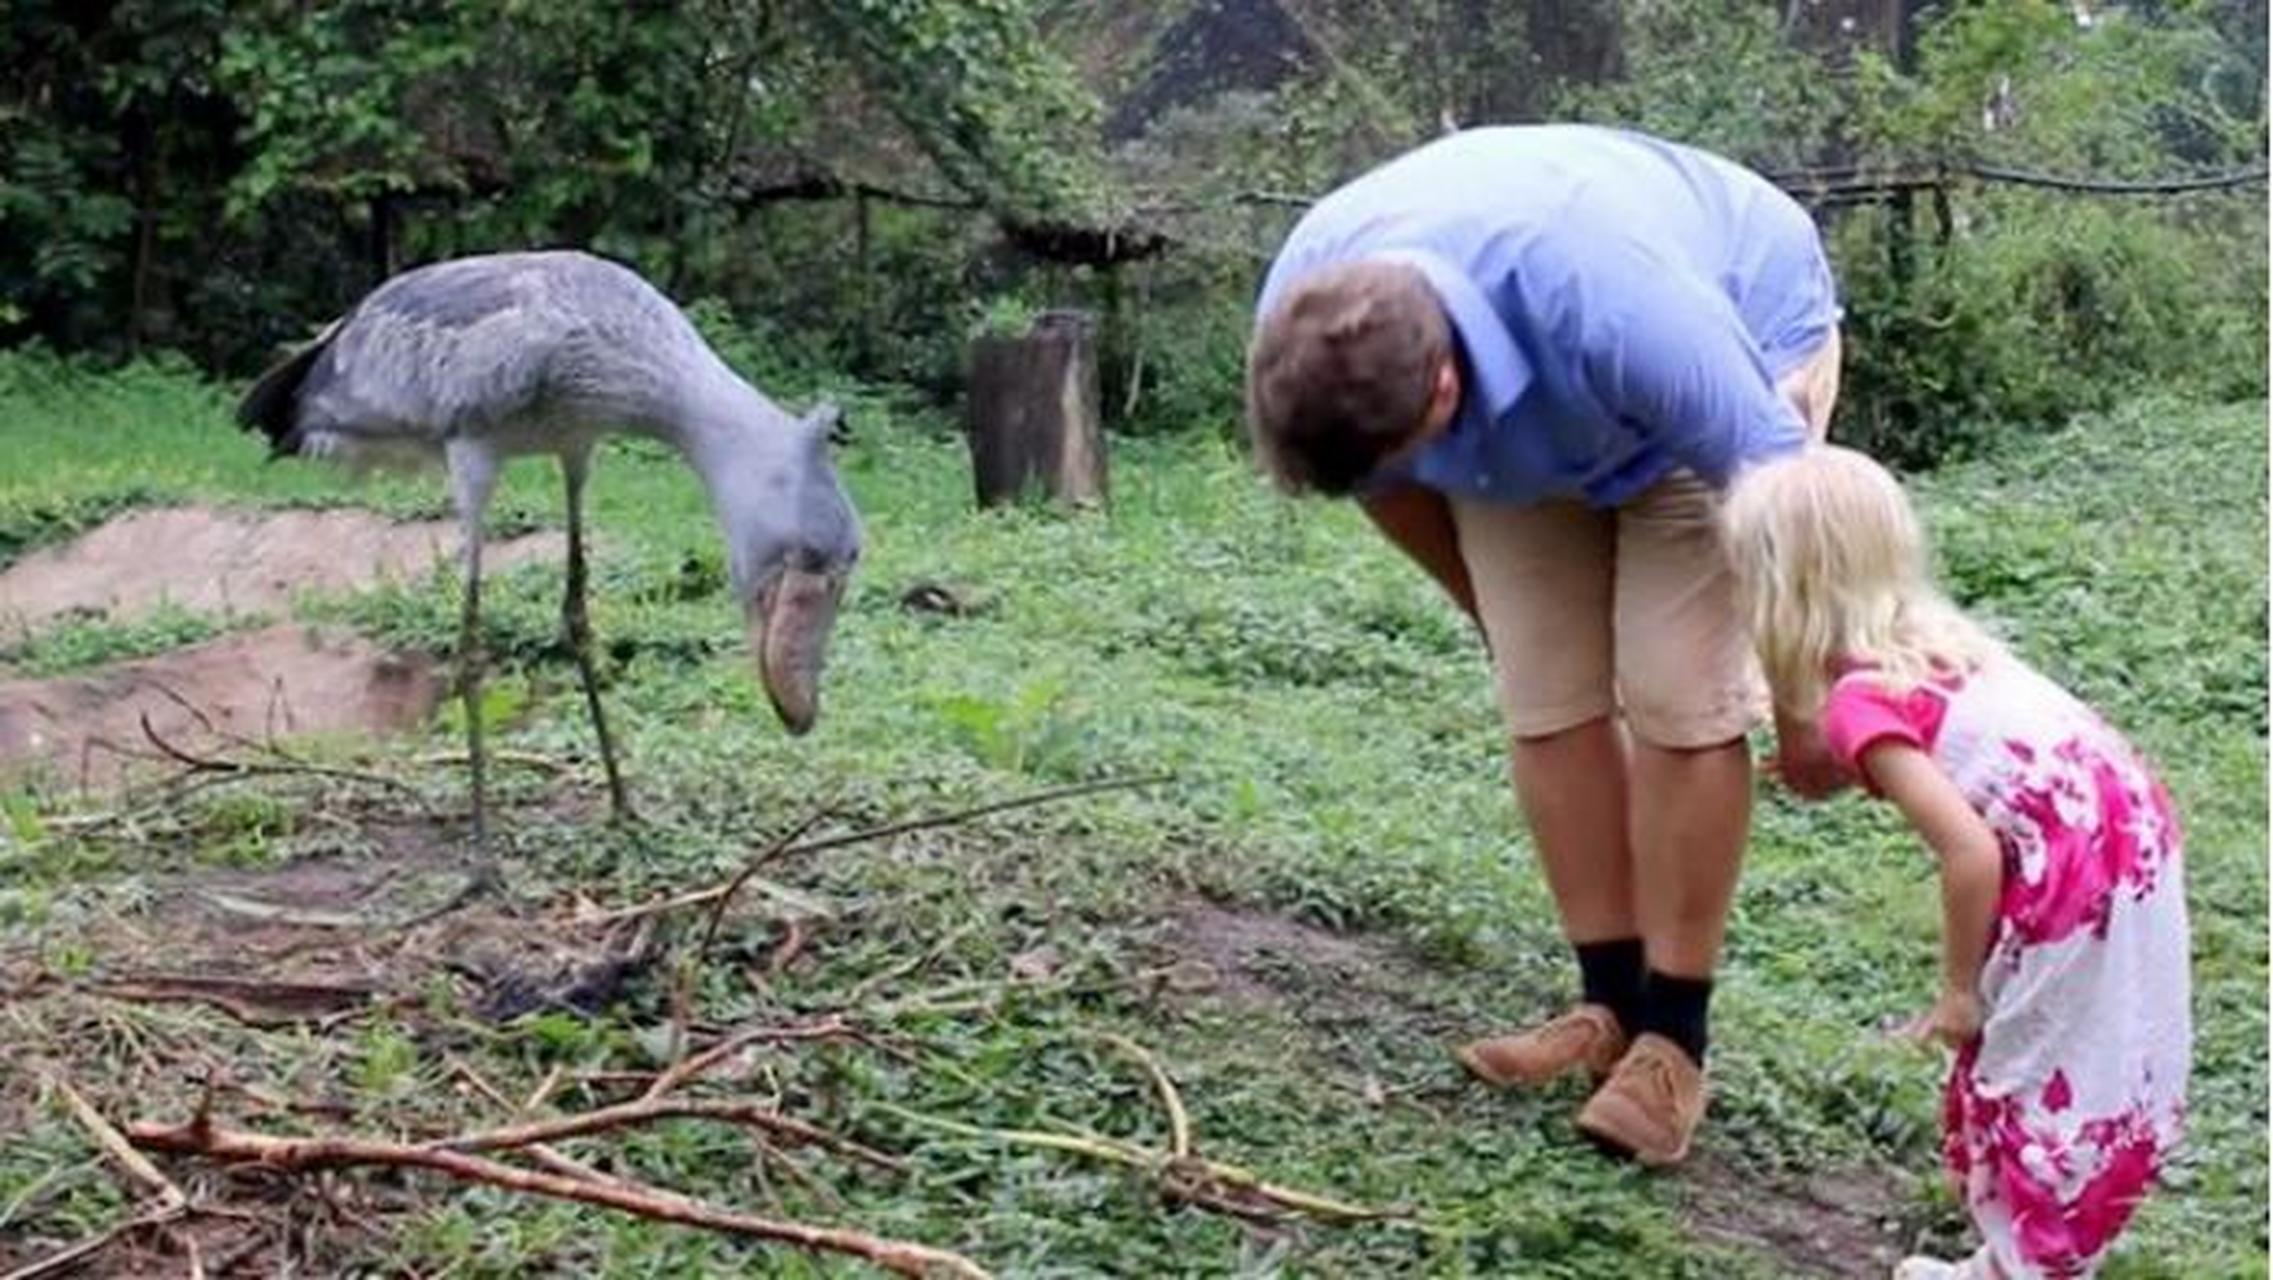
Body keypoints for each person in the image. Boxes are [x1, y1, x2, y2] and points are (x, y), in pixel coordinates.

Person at [1245, 124, 1845, 1165]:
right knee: (1544, 693)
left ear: (1438, 395)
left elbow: (1783, 501)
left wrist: (1802, 708)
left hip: (1725, 355)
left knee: (1676, 693)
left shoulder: (1624, 310)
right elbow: (1381, 485)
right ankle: (1604, 1005)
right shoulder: (1308, 323)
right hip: (1529, 412)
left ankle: (1672, 1040)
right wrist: (1495, 621)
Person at [1722, 446, 2191, 1280]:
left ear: (1772, 591)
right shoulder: (1936, 647)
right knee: (2094, 1048)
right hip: (2123, 824)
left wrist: (1955, 992)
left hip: (2067, 862)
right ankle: (2023, 1256)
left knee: (2031, 1060)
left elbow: (1966, 851)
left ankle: (2034, 1263)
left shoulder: (1855, 701)